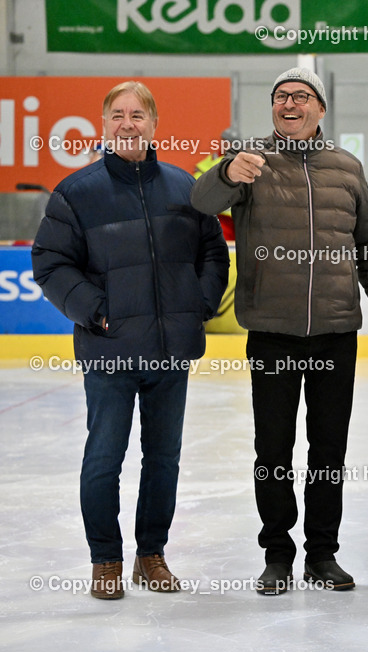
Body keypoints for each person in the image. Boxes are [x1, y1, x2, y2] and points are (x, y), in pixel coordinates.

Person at [192, 67, 368, 595]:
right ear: (273, 106)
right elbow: (200, 202)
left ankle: (322, 555)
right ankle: (278, 554)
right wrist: (226, 173)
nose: (290, 104)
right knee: (273, 449)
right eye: (282, 96)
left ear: (320, 109)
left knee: (329, 450)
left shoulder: (347, 167)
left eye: (301, 96)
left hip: (334, 329)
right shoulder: (250, 162)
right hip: (273, 329)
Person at [32, 81, 229, 600]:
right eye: (117, 115)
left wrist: (199, 305)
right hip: (110, 352)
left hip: (170, 352)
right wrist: (97, 314)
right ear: (104, 124)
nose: (127, 124)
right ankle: (105, 560)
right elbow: (50, 263)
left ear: (154, 124)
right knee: (103, 457)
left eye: (137, 115)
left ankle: (151, 555)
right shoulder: (77, 192)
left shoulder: (184, 189)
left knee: (163, 458)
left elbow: (214, 254)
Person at [193, 128, 242, 240]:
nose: (227, 144)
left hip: (236, 217)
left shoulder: (240, 161)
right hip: (215, 216)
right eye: (225, 141)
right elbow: (196, 186)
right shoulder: (210, 162)